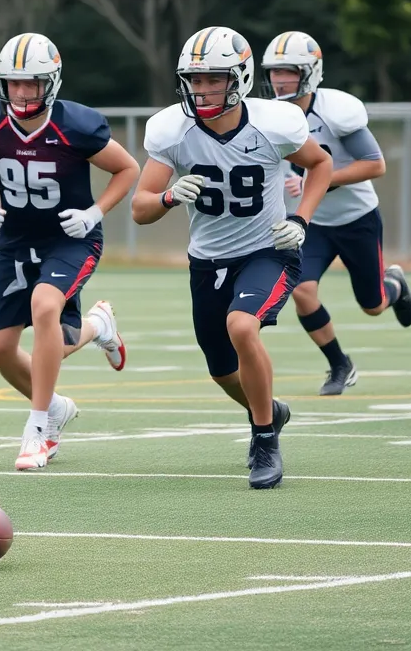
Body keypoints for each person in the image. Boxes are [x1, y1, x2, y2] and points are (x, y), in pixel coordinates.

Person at [132, 26, 332, 488]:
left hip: (268, 250)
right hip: (207, 260)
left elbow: (321, 164)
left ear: (239, 78)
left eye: (213, 79)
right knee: (223, 372)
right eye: (195, 80)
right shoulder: (173, 130)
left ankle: (264, 439)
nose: (202, 90)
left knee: (242, 325)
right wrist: (166, 198)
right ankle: (270, 411)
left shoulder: (273, 123)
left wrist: (301, 219)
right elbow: (140, 207)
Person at [0, 32, 140, 471]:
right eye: (14, 83)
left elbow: (127, 168)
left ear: (52, 82)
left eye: (33, 83)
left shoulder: (76, 125)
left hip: (70, 238)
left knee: (45, 308)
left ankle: (39, 428)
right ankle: (96, 327)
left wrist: (95, 212)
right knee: (0, 349)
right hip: (16, 241)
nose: (22, 93)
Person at [259, 31, 411, 396]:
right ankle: (339, 364)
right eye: (276, 72)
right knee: (301, 291)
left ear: (311, 72)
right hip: (310, 220)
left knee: (373, 305)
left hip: (356, 217)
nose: (281, 80)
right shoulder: (267, 115)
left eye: (290, 72)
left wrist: (324, 179)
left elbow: (375, 165)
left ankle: (396, 286)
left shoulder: (336, 111)